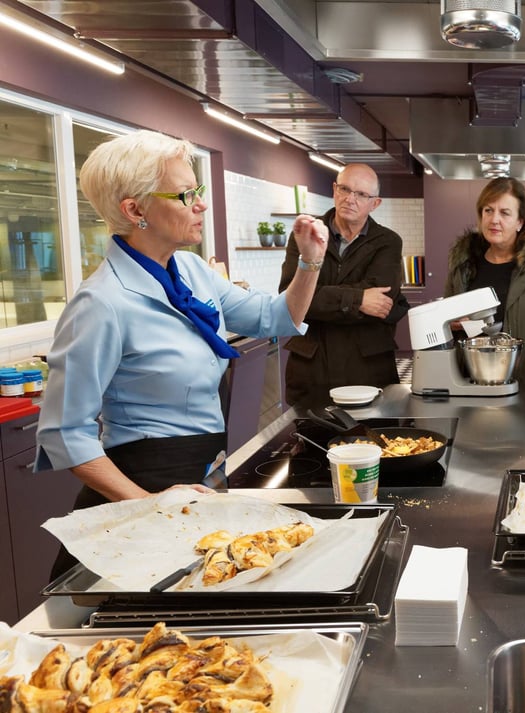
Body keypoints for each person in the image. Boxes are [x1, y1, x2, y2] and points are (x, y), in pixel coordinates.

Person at [35, 130, 327, 575]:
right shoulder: (101, 303)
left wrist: (309, 262)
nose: (201, 204)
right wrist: (149, 503)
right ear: (135, 211)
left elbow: (274, 318)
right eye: (185, 194)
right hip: (143, 485)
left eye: (198, 190)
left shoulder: (190, 270)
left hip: (196, 479)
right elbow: (64, 432)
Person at [279, 162, 407, 406]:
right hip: (312, 370)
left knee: (372, 429)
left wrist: (319, 297)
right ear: (334, 190)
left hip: (367, 368)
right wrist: (359, 299)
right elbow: (290, 297)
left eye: (361, 194)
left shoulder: (388, 242)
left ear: (375, 203)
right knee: (312, 429)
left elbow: (382, 301)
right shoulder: (306, 234)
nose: (350, 199)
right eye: (345, 189)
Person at [444, 177, 525, 386]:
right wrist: (449, 324)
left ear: (520, 222)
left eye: (505, 213)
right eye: (488, 210)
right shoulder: (464, 264)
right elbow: (446, 322)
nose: (494, 219)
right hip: (469, 384)